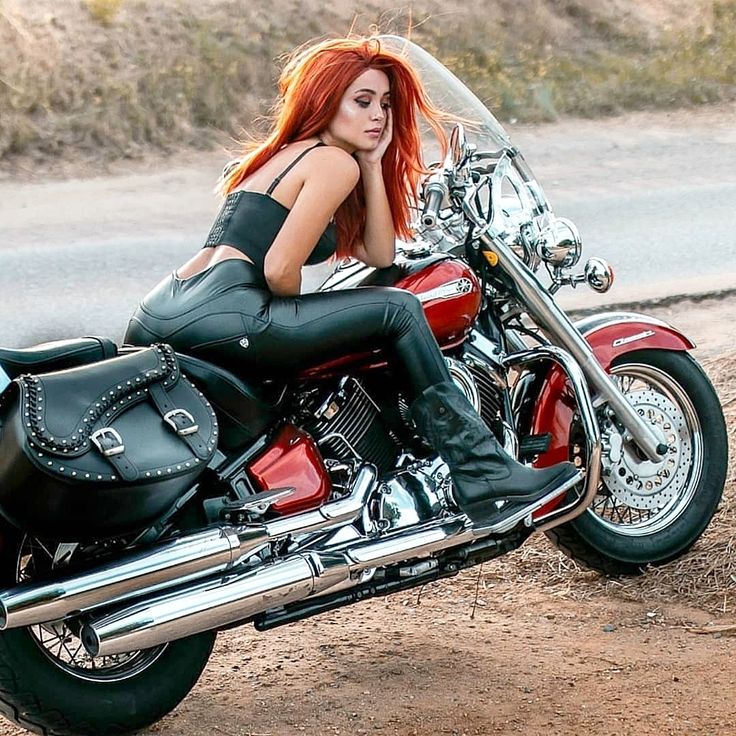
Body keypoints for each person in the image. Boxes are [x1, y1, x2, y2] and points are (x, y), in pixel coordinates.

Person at [125, 36, 579, 526]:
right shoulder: (330, 162)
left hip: (167, 308)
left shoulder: (293, 156)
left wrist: (371, 163)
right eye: (361, 102)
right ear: (325, 102)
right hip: (230, 309)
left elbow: (378, 252)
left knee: (365, 311)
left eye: (384, 104)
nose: (378, 116)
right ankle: (482, 471)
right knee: (398, 309)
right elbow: (280, 270)